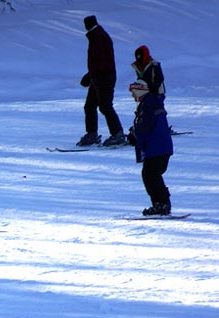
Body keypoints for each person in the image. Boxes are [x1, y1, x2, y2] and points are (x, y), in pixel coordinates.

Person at [77, 15, 125, 147]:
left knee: (105, 106)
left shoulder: (99, 37)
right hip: (98, 77)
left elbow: (102, 62)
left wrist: (92, 76)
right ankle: (92, 133)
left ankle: (117, 133)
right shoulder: (96, 36)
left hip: (104, 78)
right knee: (90, 106)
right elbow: (97, 62)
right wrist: (90, 76)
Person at [127, 80, 173, 216]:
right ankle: (161, 203)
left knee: (150, 175)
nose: (133, 96)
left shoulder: (149, 104)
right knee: (151, 175)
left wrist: (134, 134)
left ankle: (162, 204)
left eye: (134, 92)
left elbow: (145, 126)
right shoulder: (149, 103)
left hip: (157, 147)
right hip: (158, 147)